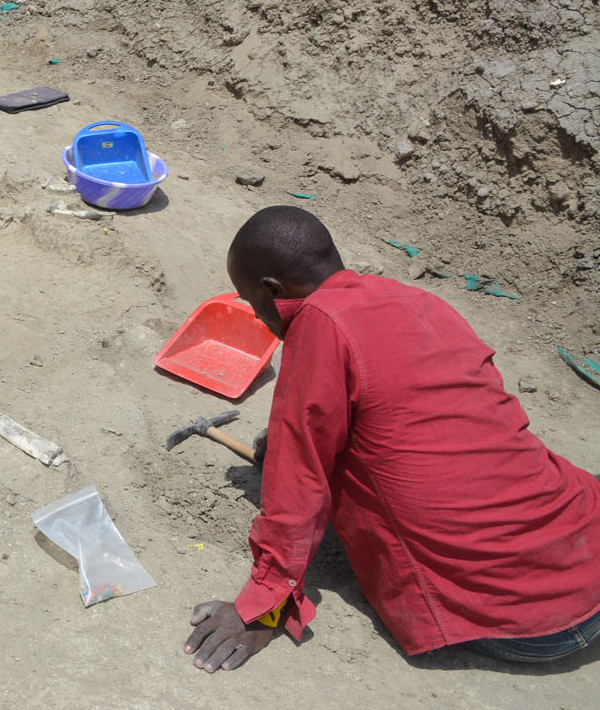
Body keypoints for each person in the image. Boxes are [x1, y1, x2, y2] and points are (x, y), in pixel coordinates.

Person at [184, 206, 600, 673]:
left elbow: (295, 493)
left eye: (254, 304)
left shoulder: (318, 322)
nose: (261, 319)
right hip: (588, 553)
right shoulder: (415, 301)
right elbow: (424, 419)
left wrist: (265, 607)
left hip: (518, 621)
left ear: (273, 291)